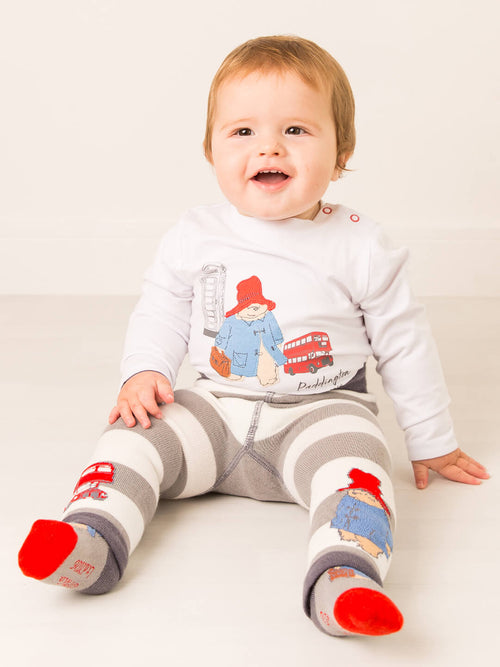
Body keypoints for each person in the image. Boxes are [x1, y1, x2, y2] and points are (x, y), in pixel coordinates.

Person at [18, 35, 489, 637]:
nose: (268, 146)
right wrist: (145, 370)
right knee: (132, 434)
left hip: (321, 413)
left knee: (360, 467)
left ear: (341, 152)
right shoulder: (195, 235)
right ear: (211, 150)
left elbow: (404, 343)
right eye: (242, 132)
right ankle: (91, 538)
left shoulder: (360, 244)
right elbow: (162, 308)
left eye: (296, 130)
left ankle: (343, 578)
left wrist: (431, 439)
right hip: (213, 410)